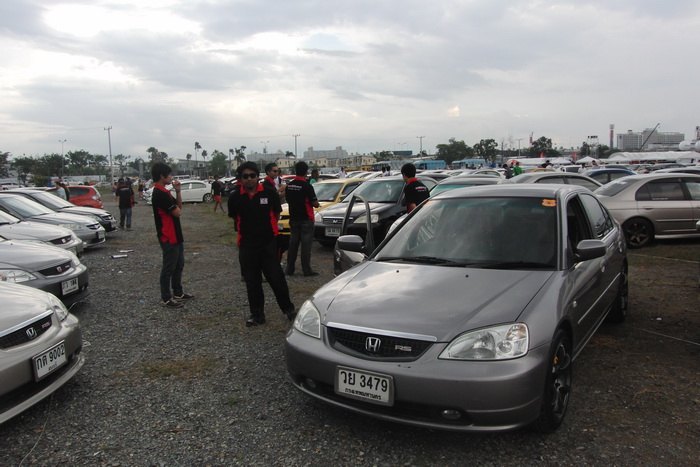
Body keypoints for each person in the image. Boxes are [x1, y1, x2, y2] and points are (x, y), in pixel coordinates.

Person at [228, 161, 295, 327]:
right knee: (252, 282)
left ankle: (289, 310)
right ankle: (257, 315)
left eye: (252, 176)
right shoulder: (235, 197)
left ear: (258, 177)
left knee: (276, 278)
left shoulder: (269, 193)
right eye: (245, 176)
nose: (249, 179)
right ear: (241, 179)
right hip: (246, 246)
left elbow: (277, 214)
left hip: (268, 244)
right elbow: (235, 218)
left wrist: (269, 232)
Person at [151, 162, 194, 308]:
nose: (171, 177)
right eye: (169, 174)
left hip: (176, 234)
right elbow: (177, 212)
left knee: (179, 264)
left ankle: (178, 292)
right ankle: (166, 297)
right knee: (169, 267)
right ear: (162, 176)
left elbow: (179, 207)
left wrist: (178, 191)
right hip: (167, 235)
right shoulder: (159, 193)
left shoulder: (166, 191)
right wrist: (175, 207)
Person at [285, 161, 320, 277]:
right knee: (306, 247)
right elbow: (314, 203)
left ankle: (289, 269)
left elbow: (288, 200)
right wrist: (317, 203)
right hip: (306, 219)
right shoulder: (307, 186)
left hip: (293, 219)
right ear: (306, 171)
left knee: (293, 245)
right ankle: (306, 270)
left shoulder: (289, 185)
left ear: (295, 170)